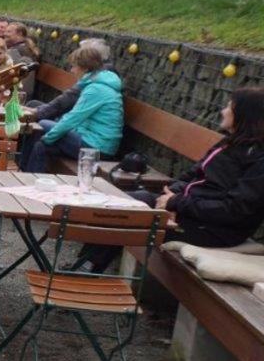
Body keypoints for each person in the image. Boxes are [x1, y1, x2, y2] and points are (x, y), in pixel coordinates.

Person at [83, 88, 264, 272]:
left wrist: (177, 204)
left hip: (216, 231)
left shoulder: (259, 159)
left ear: (244, 115)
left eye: (229, 107)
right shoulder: (228, 144)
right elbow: (192, 175)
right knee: (124, 203)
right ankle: (85, 266)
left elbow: (234, 210)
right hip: (191, 212)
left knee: (130, 217)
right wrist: (169, 199)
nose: (223, 111)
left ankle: (88, 271)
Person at [18, 42, 122, 173]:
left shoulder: (96, 89)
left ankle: (22, 170)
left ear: (84, 68)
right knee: (41, 146)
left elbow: (73, 118)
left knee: (43, 125)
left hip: (98, 148)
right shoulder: (95, 84)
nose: (72, 70)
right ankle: (27, 177)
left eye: (74, 66)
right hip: (89, 139)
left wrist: (48, 137)